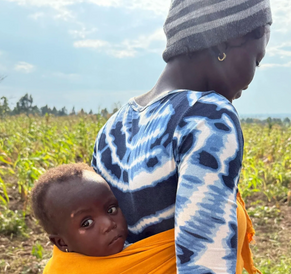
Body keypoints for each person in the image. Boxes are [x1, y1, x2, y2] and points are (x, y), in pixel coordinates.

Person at [92, 0, 272, 273]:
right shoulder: (207, 116)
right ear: (225, 43)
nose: (251, 78)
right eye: (256, 60)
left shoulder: (113, 127)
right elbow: (205, 263)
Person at [31, 163, 176, 274]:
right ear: (62, 243)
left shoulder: (148, 255)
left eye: (111, 209)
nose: (108, 224)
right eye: (87, 223)